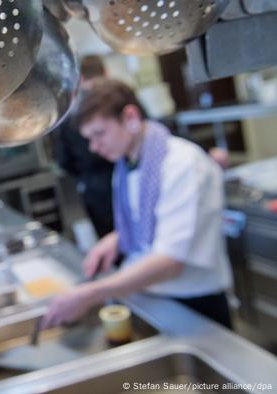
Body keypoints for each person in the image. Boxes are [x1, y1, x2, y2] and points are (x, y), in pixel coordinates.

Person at [40, 78, 234, 330]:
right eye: (89, 138)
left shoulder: (181, 163)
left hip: (194, 302)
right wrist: (118, 238)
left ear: (130, 116)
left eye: (99, 134)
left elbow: (169, 261)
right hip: (152, 295)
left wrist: (89, 294)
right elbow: (151, 220)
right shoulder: (127, 164)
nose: (94, 147)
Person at [53, 56, 115, 238]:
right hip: (117, 179)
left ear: (79, 79)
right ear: (105, 72)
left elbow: (63, 160)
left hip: (93, 188)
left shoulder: (69, 111)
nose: (95, 146)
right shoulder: (117, 97)